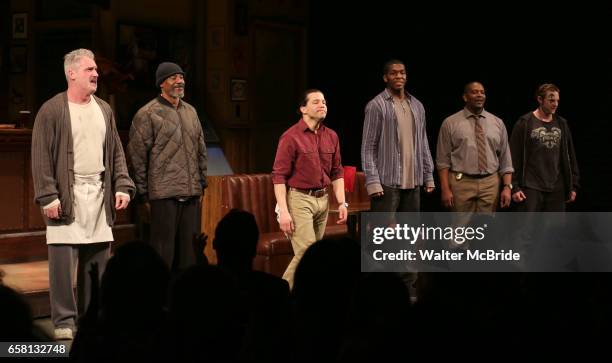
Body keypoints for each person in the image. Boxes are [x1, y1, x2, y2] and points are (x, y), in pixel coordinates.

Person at [31, 48, 135, 340]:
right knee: (63, 264)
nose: (96, 74)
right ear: (71, 73)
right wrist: (47, 195)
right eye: (89, 69)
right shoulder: (52, 110)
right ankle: (64, 319)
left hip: (99, 193)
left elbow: (115, 151)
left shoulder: (104, 109)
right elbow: (40, 157)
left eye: (96, 70)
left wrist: (122, 185)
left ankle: (93, 316)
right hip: (66, 193)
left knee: (97, 260)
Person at [127, 62, 207, 271]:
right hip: (163, 194)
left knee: (189, 255)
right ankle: (160, 299)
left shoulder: (191, 111)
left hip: (190, 193)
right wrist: (143, 194)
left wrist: (201, 183)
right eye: (173, 78)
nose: (179, 81)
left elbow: (201, 150)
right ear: (161, 84)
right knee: (163, 254)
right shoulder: (147, 113)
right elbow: (137, 157)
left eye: (181, 77)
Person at [271, 89, 347, 288]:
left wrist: (342, 202)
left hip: (323, 199)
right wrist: (284, 212)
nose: (322, 105)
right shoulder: (290, 137)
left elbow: (337, 172)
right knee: (307, 253)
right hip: (299, 199)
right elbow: (278, 177)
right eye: (316, 102)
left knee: (314, 256)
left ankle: (304, 299)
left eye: (324, 101)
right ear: (303, 109)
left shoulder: (331, 136)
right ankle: (278, 294)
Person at [361, 59, 435, 212]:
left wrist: (428, 175)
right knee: (382, 233)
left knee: (409, 234)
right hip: (386, 183)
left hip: (413, 182)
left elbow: (423, 143)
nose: (399, 76)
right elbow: (368, 147)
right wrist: (373, 181)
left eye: (402, 73)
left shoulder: (417, 105)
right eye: (393, 73)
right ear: (385, 78)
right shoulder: (377, 105)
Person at [436, 81, 513, 212]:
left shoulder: (497, 123)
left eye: (482, 92)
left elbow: (506, 159)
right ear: (465, 97)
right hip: (461, 183)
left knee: (486, 227)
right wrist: (445, 189)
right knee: (459, 229)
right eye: (474, 92)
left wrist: (507, 187)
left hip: (490, 183)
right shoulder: (450, 123)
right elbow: (442, 161)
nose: (479, 95)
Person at [510, 84, 579, 211]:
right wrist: (514, 187)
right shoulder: (524, 123)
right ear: (540, 100)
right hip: (531, 187)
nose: (556, 104)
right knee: (528, 230)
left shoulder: (562, 124)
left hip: (557, 187)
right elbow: (513, 157)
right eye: (551, 100)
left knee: (554, 230)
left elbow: (570, 156)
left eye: (557, 100)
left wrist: (573, 185)